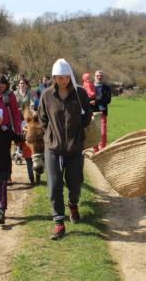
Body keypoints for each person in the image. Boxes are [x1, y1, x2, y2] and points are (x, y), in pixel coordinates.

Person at [38, 58, 92, 240]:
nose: (63, 81)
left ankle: (73, 203)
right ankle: (59, 222)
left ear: (70, 76)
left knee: (75, 183)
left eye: (66, 77)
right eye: (59, 77)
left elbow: (87, 117)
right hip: (53, 148)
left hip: (75, 148)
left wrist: (78, 133)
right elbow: (42, 118)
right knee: (54, 186)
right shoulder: (46, 95)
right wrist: (50, 135)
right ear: (54, 77)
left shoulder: (80, 94)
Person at [91, 70, 112, 152]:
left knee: (103, 132)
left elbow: (108, 99)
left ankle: (102, 149)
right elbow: (87, 98)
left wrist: (96, 101)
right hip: (92, 112)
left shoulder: (106, 87)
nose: (99, 77)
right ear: (94, 76)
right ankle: (95, 150)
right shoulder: (90, 86)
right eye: (97, 75)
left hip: (102, 112)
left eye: (101, 76)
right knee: (94, 132)